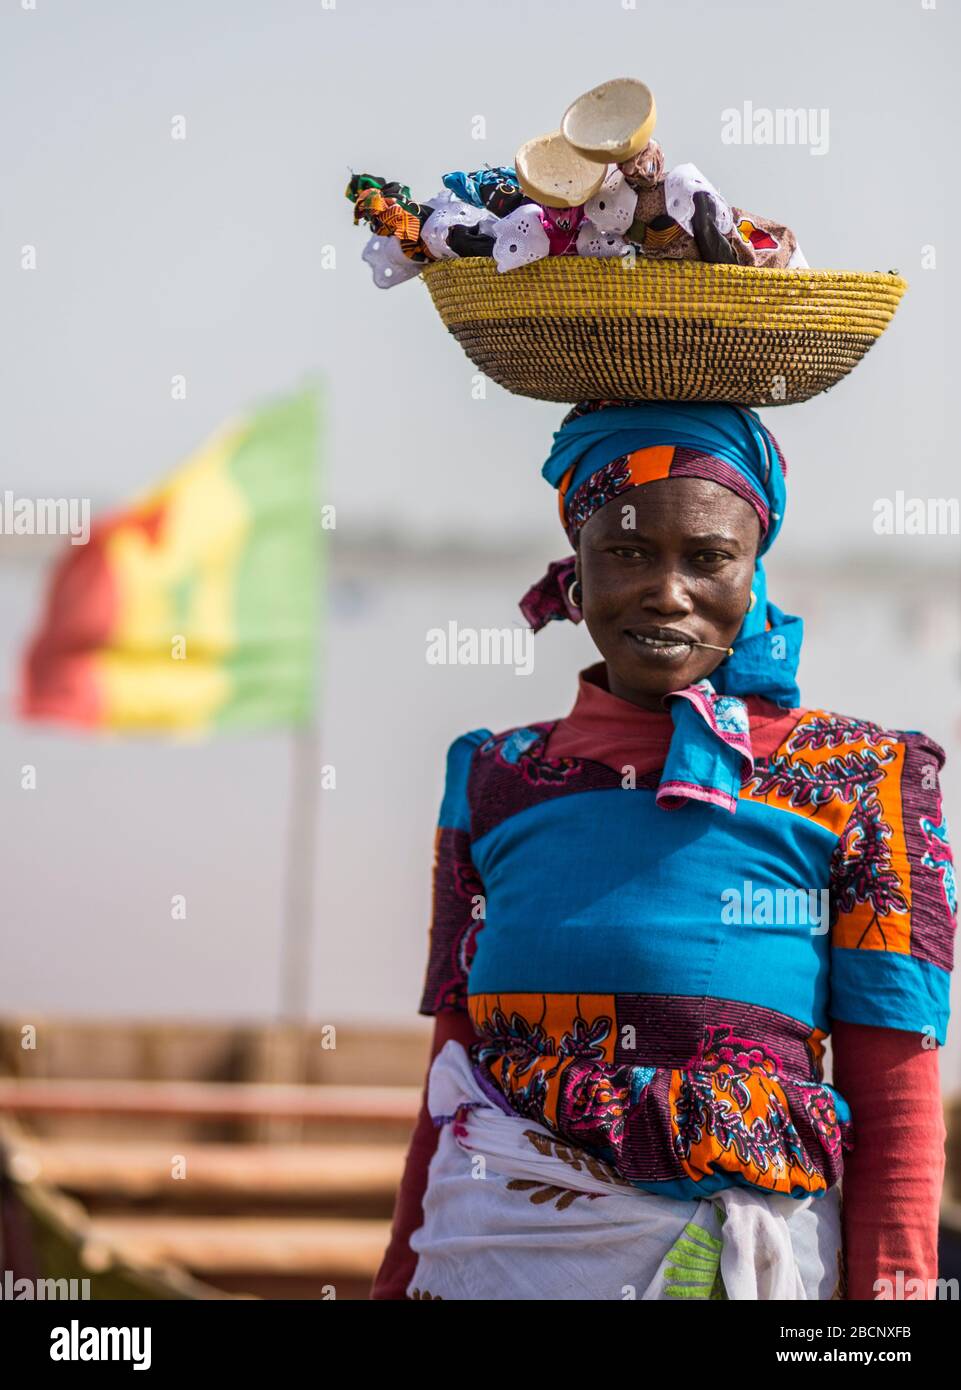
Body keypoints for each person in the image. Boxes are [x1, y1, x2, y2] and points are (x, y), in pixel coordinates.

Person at [371, 400, 957, 1301]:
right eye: (629, 553)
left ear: (752, 572)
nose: (668, 591)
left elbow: (896, 1099)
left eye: (709, 558)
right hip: (485, 1260)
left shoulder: (856, 779)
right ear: (577, 571)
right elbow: (452, 1084)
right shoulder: (495, 780)